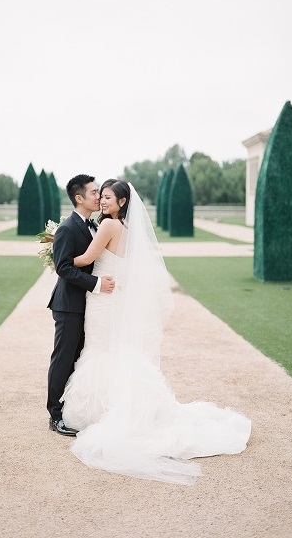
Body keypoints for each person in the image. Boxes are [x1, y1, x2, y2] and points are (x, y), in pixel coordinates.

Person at [60, 180, 251, 484]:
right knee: (111, 350)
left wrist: (58, 253)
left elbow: (84, 259)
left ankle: (100, 412)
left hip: (101, 301)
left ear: (122, 202)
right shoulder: (126, 229)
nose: (103, 201)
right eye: (101, 196)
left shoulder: (108, 226)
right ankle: (117, 406)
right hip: (112, 297)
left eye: (108, 197)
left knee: (99, 349)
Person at [46, 174, 115, 436]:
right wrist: (97, 284)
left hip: (89, 306)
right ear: (79, 198)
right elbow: (63, 268)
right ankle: (55, 415)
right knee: (63, 359)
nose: (98, 196)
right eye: (94, 193)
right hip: (68, 305)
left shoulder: (95, 225)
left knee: (78, 359)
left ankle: (72, 408)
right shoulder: (66, 228)